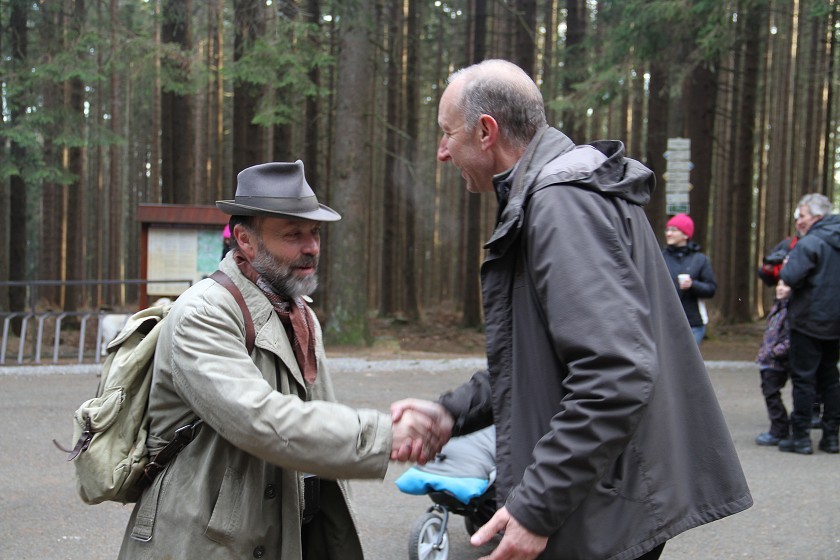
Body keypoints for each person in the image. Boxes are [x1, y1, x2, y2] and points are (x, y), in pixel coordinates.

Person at [393, 59, 752, 560]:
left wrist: (536, 507)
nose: (442, 151)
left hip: (606, 502)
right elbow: (542, 361)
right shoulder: (555, 194)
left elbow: (614, 374)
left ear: (486, 131)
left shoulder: (561, 203)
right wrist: (452, 412)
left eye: (447, 133)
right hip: (605, 488)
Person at [118, 161, 440, 559]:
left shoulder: (299, 312)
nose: (312, 247)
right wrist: (383, 436)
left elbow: (314, 419)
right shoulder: (204, 313)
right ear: (245, 240)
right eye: (293, 234)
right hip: (198, 544)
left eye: (315, 232)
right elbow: (258, 419)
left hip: (278, 534)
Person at [778, 193, 840, 455]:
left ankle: (801, 437)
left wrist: (786, 267)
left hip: (808, 321)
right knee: (831, 378)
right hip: (835, 323)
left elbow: (790, 275)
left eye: (802, 216)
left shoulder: (811, 242)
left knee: (804, 380)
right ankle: (831, 437)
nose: (798, 222)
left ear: (817, 217)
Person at [661, 213, 717, 345]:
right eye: (667, 230)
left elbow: (711, 289)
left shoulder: (700, 260)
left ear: (685, 235)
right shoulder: (660, 257)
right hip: (664, 322)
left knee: (688, 359)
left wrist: (693, 285)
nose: (668, 233)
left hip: (693, 323)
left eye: (673, 230)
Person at [754, 279, 793, 446]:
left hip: (778, 361)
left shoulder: (791, 311)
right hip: (768, 360)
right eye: (779, 285)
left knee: (772, 394)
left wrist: (773, 352)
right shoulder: (778, 307)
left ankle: (779, 430)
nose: (780, 288)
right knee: (769, 392)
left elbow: (790, 340)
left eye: (785, 285)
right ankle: (780, 427)